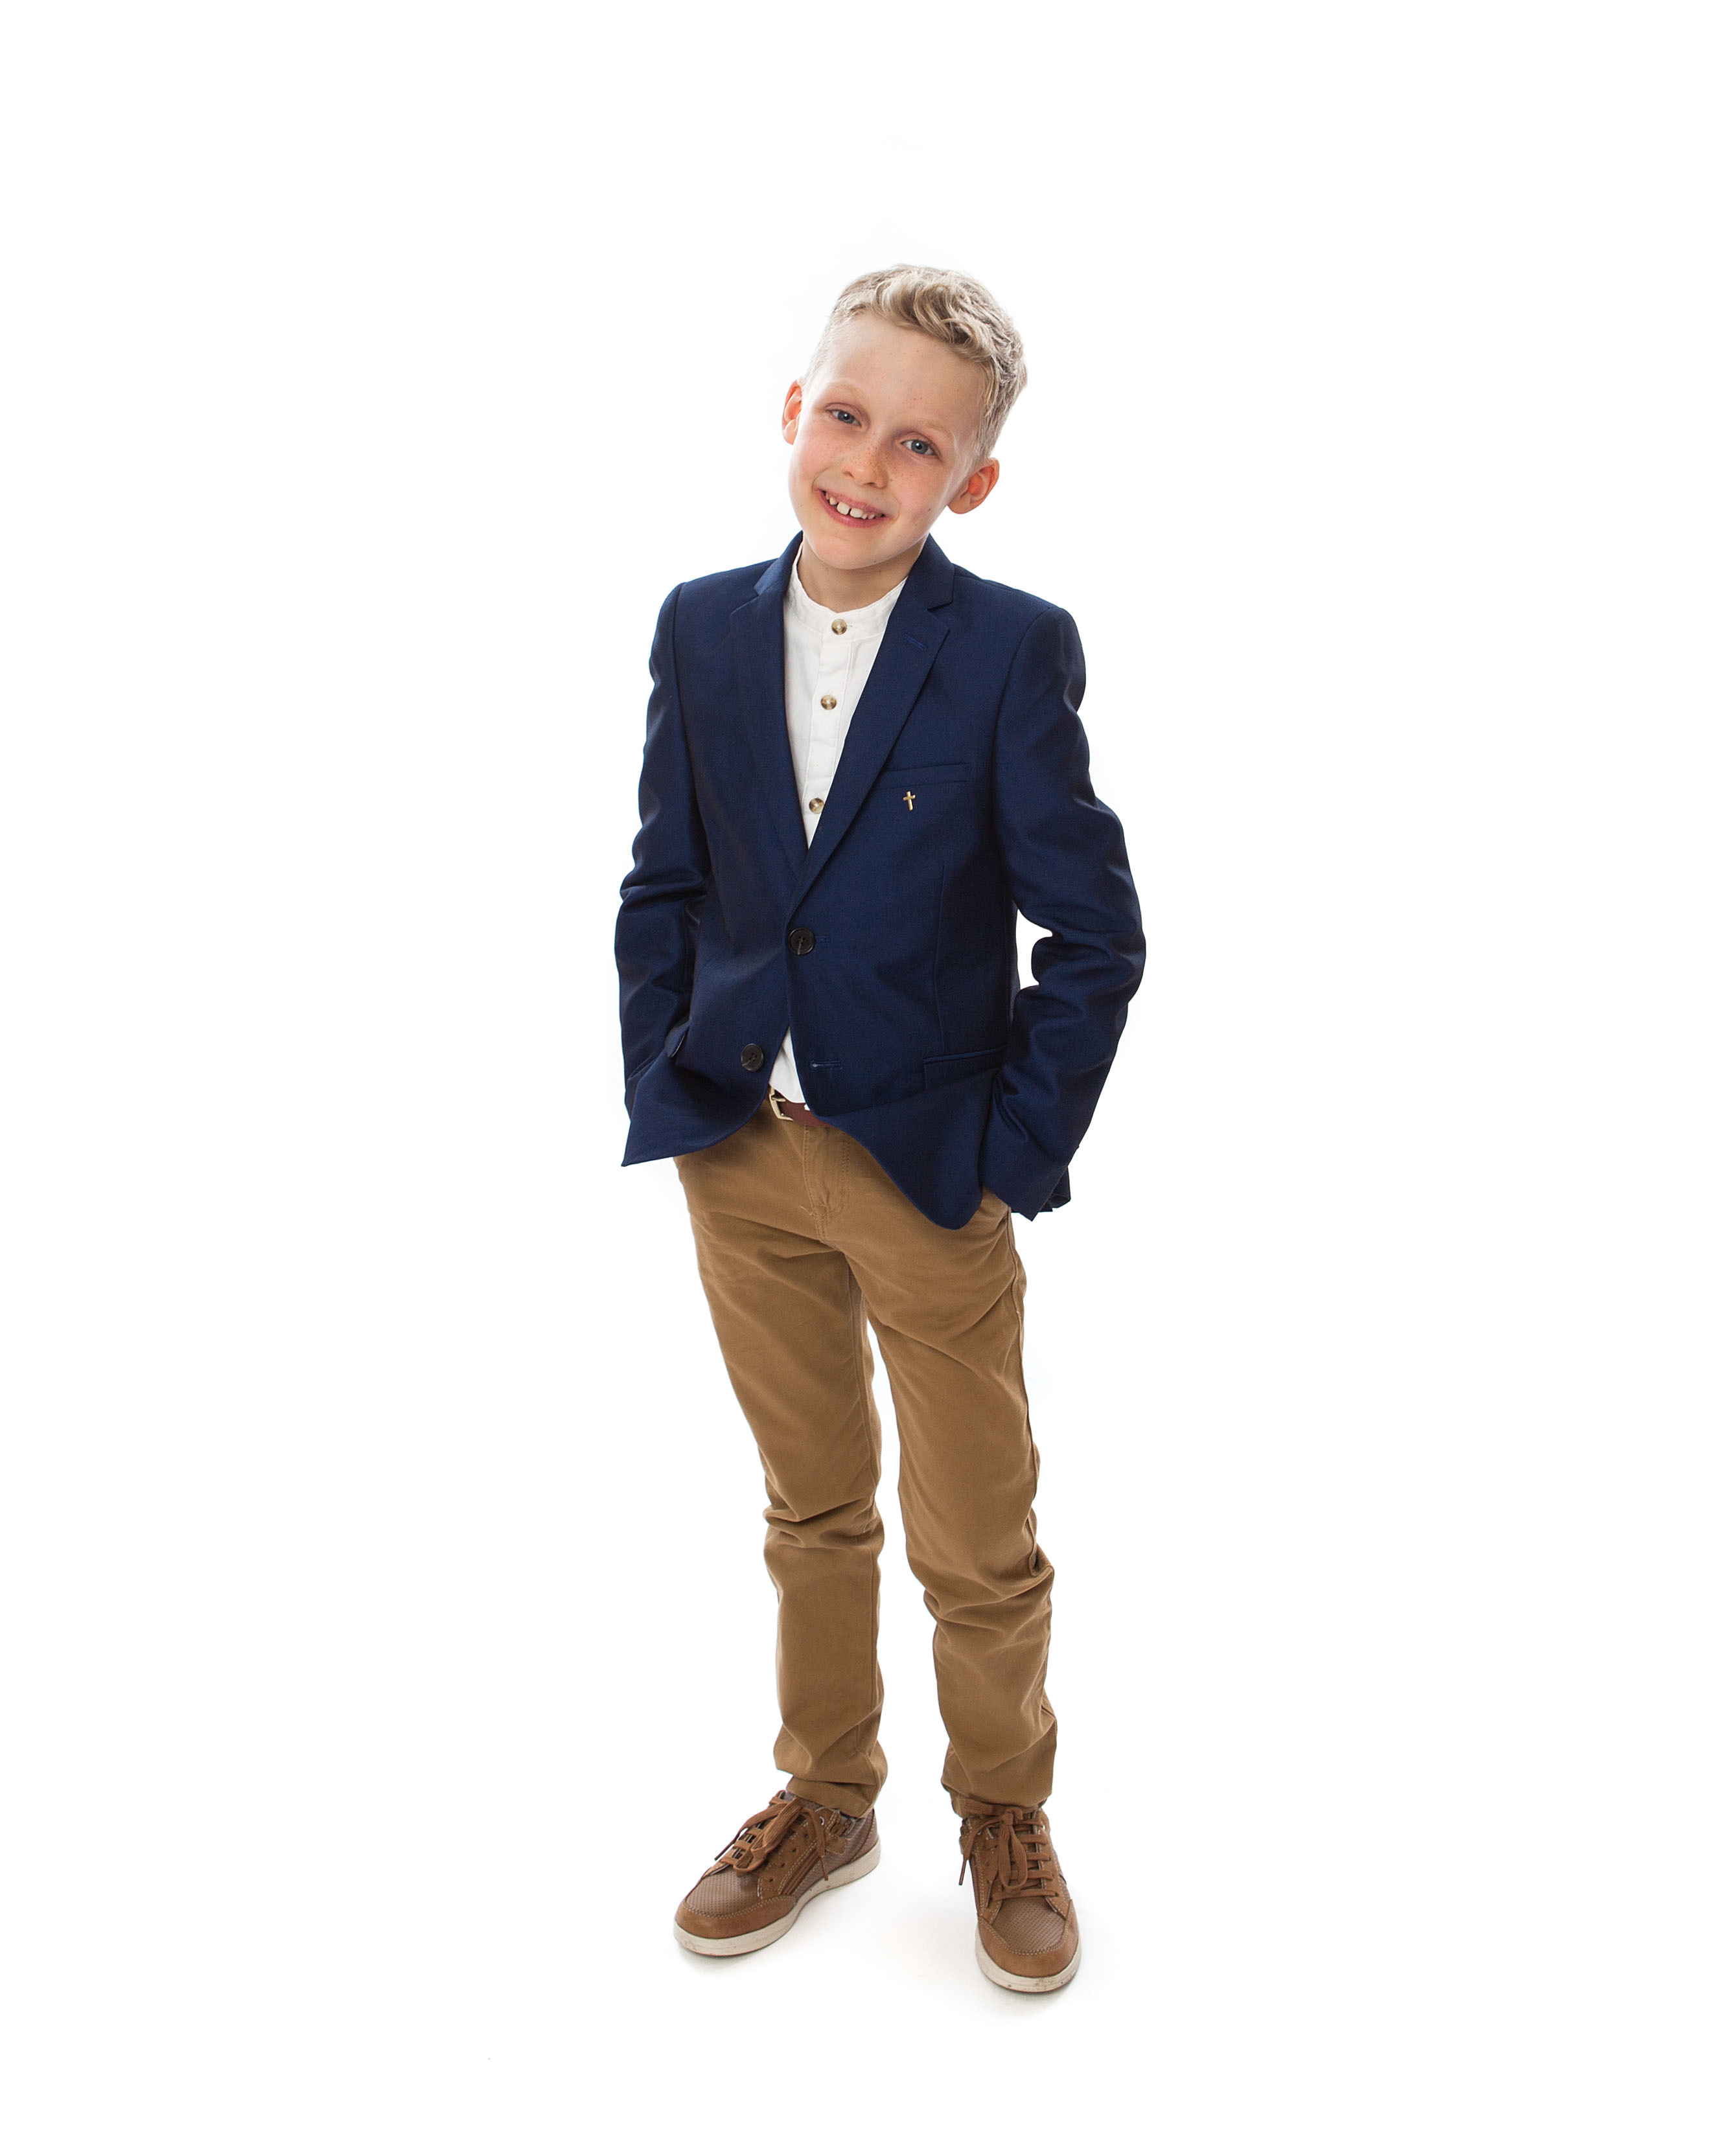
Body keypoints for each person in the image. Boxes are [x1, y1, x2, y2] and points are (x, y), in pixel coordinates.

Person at [614, 265, 1143, 1993]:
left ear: (969, 481)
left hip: (929, 1165)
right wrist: (669, 1079)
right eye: (846, 415)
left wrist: (1013, 1151)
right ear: (795, 410)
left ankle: (1002, 1808)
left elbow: (1095, 934)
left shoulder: (1008, 650)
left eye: (919, 444)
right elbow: (664, 879)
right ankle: (826, 1795)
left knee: (976, 1533)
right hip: (739, 1151)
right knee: (811, 1503)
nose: (867, 462)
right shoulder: (702, 625)